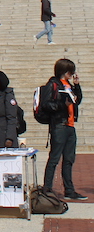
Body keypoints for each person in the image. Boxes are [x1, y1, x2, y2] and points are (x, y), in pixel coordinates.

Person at [42, 58, 86, 200]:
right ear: (65, 71)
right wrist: (62, 104)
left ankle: (69, 189)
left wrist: (77, 86)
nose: (72, 74)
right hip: (59, 125)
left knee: (69, 159)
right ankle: (47, 188)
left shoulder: (68, 85)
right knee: (54, 158)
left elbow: (76, 100)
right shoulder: (53, 84)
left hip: (70, 125)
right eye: (70, 72)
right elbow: (46, 104)